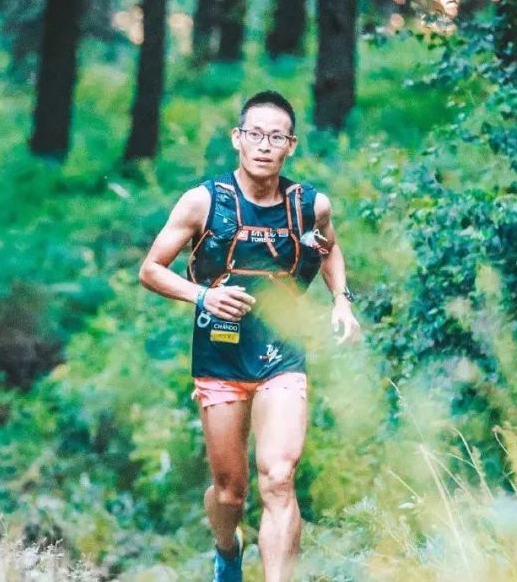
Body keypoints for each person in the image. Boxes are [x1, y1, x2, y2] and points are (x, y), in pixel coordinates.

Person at [138, 90, 361, 581]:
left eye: (276, 136)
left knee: (279, 478)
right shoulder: (203, 202)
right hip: (219, 358)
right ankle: (227, 549)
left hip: (282, 357)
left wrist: (341, 299)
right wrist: (202, 296)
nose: (264, 145)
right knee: (229, 492)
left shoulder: (310, 205)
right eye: (255, 134)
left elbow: (329, 246)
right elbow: (151, 270)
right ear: (237, 139)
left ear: (291, 145)